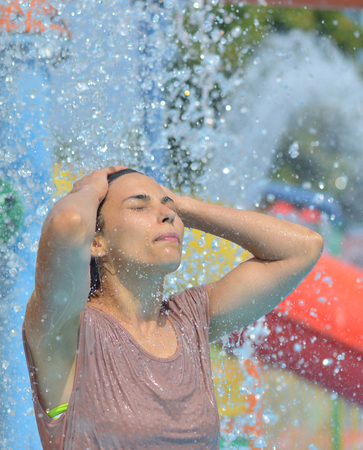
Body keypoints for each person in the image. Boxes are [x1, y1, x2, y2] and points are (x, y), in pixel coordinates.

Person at [23, 166, 323, 449]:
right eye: (139, 206)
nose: (166, 214)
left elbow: (302, 247)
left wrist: (184, 206)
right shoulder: (67, 330)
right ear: (96, 241)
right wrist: (89, 189)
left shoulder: (190, 320)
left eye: (170, 209)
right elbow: (68, 223)